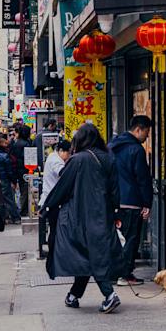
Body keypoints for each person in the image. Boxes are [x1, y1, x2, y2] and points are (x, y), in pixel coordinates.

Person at [45, 122, 123, 314]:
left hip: (80, 215)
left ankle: (109, 294)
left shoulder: (77, 159)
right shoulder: (108, 158)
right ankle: (73, 295)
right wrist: (115, 213)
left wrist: (48, 205)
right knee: (91, 254)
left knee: (87, 254)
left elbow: (62, 186)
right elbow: (114, 189)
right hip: (103, 214)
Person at [109, 115, 154, 285]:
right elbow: (143, 179)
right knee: (130, 239)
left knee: (118, 238)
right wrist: (147, 203)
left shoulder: (112, 146)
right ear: (138, 129)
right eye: (147, 132)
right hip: (132, 201)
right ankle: (125, 274)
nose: (147, 136)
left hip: (115, 201)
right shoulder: (136, 150)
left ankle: (114, 273)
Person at [9, 123, 34, 216]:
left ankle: (23, 210)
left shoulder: (16, 143)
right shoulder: (26, 143)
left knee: (23, 191)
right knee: (25, 191)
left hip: (18, 170)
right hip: (25, 170)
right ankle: (23, 211)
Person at [0, 135, 21, 223]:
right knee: (9, 199)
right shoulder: (5, 156)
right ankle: (15, 217)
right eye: (5, 143)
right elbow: (9, 171)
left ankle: (2, 218)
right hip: (5, 180)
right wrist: (14, 181)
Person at [40, 138, 71, 207]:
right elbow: (62, 172)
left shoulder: (53, 156)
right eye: (68, 153)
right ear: (61, 150)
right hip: (51, 199)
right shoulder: (55, 160)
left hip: (51, 197)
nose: (69, 156)